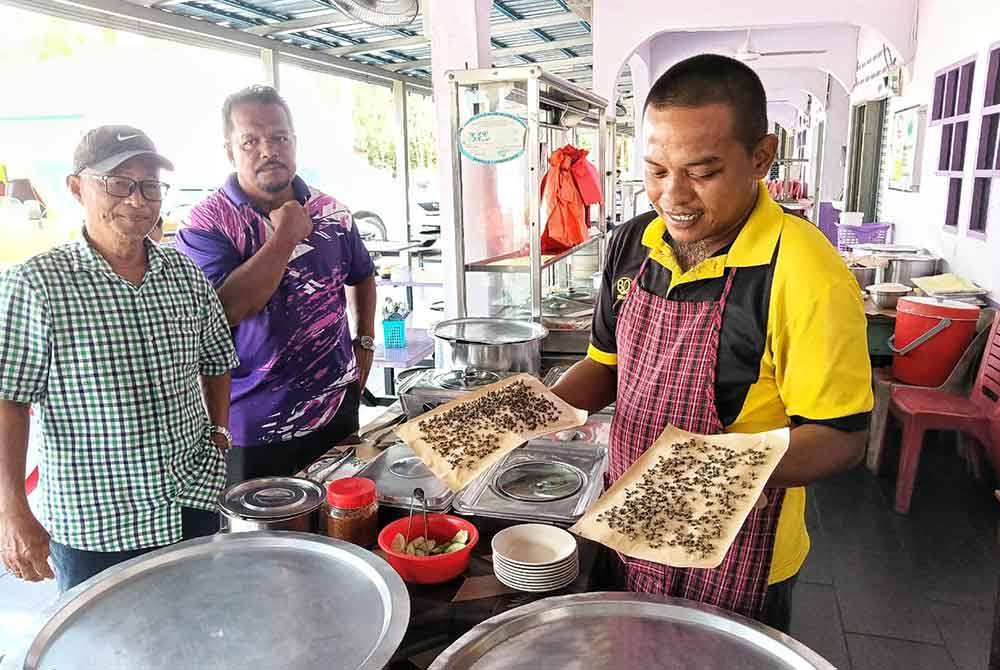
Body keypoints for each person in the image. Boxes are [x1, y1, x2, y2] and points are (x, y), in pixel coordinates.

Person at [552, 54, 873, 631]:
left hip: (743, 549)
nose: (673, 196)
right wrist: (528, 406)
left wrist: (702, 470)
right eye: (655, 170)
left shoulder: (805, 273)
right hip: (632, 516)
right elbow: (605, 368)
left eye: (701, 172)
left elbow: (841, 438)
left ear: (761, 157)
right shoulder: (632, 243)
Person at [0, 126, 238, 592]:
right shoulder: (37, 285)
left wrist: (219, 430)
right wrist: (12, 510)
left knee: (200, 636)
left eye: (150, 185)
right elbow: (8, 401)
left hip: (189, 500)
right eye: (118, 182)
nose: (137, 199)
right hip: (96, 526)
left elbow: (217, 359)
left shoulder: (184, 274)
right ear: (76, 187)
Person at [175, 85, 377, 484]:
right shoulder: (206, 223)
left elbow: (362, 274)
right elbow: (226, 309)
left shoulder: (332, 211)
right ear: (230, 151)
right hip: (252, 424)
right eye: (251, 140)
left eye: (280, 138)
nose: (269, 150)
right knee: (265, 543)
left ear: (295, 143)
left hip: (336, 406)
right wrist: (285, 238)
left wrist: (365, 339)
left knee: (341, 526)